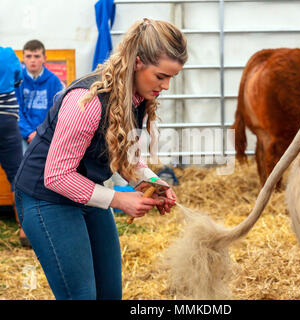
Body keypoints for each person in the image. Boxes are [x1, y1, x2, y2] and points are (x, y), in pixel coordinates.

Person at [14, 18, 187, 300]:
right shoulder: (88, 100)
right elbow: (56, 176)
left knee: (110, 293)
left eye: (171, 78)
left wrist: (151, 183)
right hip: (46, 197)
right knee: (82, 296)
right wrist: (119, 199)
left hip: (85, 192)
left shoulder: (136, 98)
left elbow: (128, 158)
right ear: (138, 62)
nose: (166, 86)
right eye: (160, 76)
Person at [0, 46, 31, 247]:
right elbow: (18, 81)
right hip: (6, 121)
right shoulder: (8, 54)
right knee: (16, 174)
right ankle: (25, 230)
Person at [15, 39, 63, 152]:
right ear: (23, 58)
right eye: (28, 56)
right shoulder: (17, 80)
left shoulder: (54, 81)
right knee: (22, 164)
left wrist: (41, 133)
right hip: (23, 134)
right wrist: (29, 133)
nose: (32, 60)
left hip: (46, 134)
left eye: (36, 56)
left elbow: (56, 111)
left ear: (44, 58)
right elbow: (16, 110)